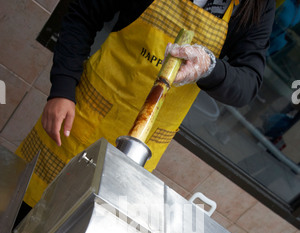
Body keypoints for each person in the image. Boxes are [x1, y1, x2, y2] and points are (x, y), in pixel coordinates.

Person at [15, 0, 276, 210]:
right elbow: (83, 12)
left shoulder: (256, 6)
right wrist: (62, 89)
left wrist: (210, 66)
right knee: (17, 204)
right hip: (79, 115)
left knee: (75, 225)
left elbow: (247, 84)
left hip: (138, 148)